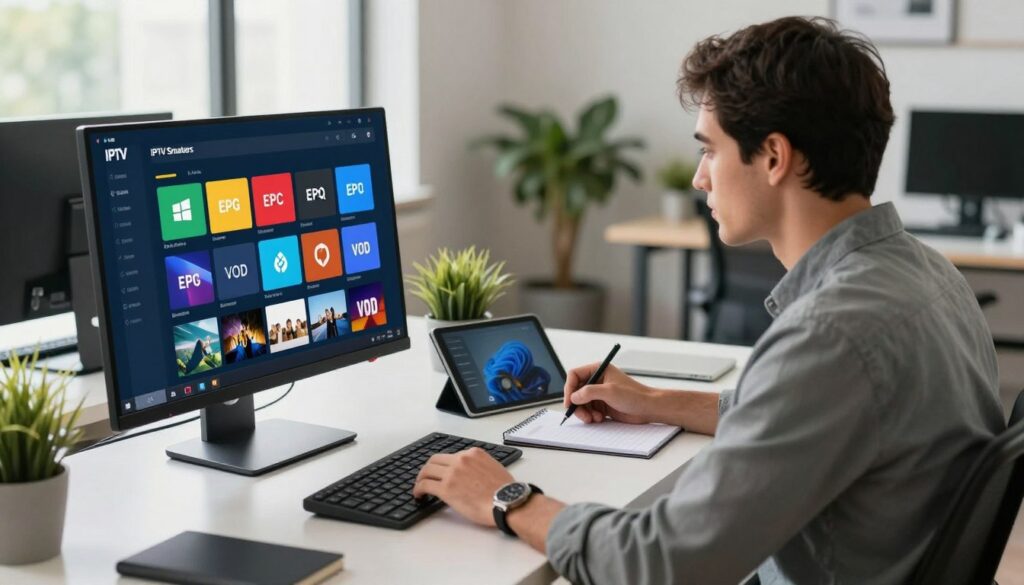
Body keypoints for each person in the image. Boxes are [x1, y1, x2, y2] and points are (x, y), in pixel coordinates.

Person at [412, 16, 1005, 585]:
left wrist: (508, 498)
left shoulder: (831, 334)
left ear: (774, 157)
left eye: (710, 150)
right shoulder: (928, 273)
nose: (700, 178)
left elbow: (662, 567)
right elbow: (815, 416)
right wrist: (656, 400)